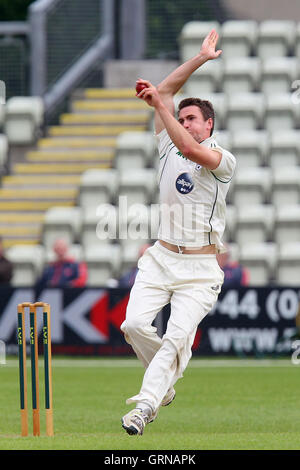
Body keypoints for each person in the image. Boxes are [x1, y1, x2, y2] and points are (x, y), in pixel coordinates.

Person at [120, 29, 236, 435]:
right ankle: (165, 380)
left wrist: (162, 107)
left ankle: (145, 407)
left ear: (209, 125)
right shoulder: (167, 144)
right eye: (181, 116)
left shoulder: (221, 158)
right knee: (133, 326)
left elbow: (189, 147)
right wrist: (201, 58)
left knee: (174, 337)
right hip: (161, 256)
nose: (184, 123)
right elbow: (165, 90)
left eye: (192, 119)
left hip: (201, 269)